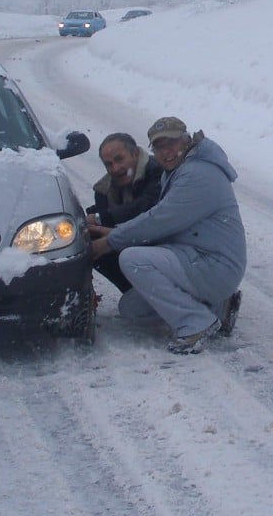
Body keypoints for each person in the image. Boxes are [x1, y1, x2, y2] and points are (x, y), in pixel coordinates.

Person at [88, 116, 245, 354]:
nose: (165, 151)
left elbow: (159, 220)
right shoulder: (177, 171)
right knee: (131, 309)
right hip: (197, 258)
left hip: (215, 264)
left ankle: (196, 323)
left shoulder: (199, 174)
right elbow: (163, 224)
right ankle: (218, 308)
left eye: (171, 143)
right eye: (159, 147)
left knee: (133, 259)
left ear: (187, 140)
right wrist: (116, 232)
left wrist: (111, 241)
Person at [84, 132, 164, 294]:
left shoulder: (158, 172)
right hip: (133, 240)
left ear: (135, 153)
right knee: (86, 242)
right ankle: (134, 293)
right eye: (108, 164)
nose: (115, 168)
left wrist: (99, 219)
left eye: (119, 159)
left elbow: (145, 206)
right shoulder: (104, 191)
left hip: (166, 244)